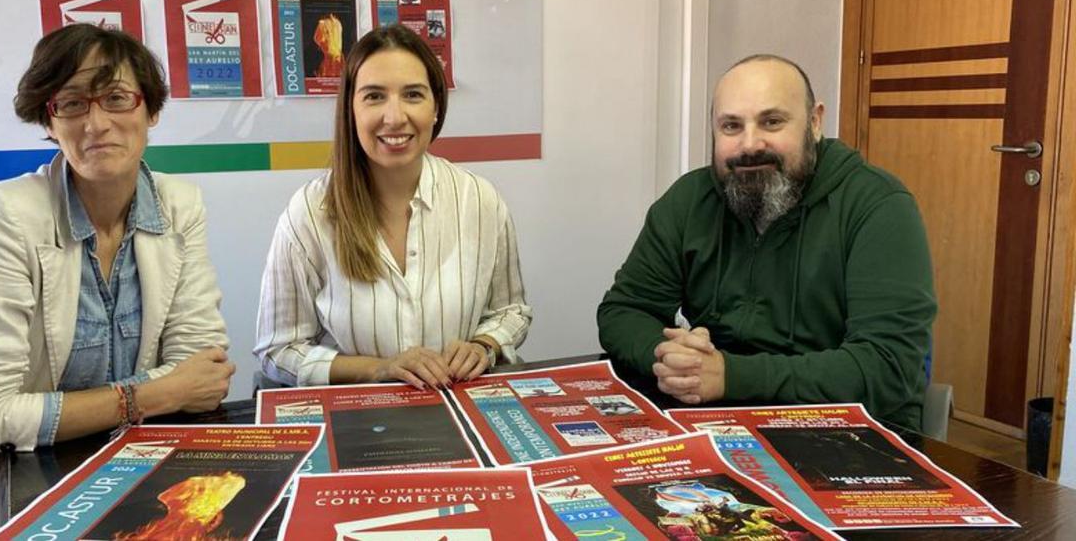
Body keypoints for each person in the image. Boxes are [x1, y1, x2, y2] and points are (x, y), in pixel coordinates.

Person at [0, 24, 235, 538]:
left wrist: (26, 418)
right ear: (49, 122)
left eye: (117, 98)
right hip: (13, 481)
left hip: (136, 469)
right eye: (72, 104)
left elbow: (201, 378)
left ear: (151, 111)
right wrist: (153, 394)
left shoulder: (179, 206)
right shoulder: (4, 214)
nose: (96, 123)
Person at [597, 54, 936, 431]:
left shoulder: (877, 206)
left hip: (851, 431)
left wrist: (732, 376)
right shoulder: (689, 200)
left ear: (815, 121)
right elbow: (623, 311)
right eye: (731, 126)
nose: (750, 144)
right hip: (715, 421)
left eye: (772, 122)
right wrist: (668, 357)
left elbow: (889, 368)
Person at [255, 24, 530, 390]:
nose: (395, 117)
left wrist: (485, 345)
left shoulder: (479, 199)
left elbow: (511, 312)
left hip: (457, 406)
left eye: (413, 95)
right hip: (359, 419)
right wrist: (378, 369)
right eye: (374, 97)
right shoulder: (310, 212)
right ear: (350, 110)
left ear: (436, 108)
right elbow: (278, 350)